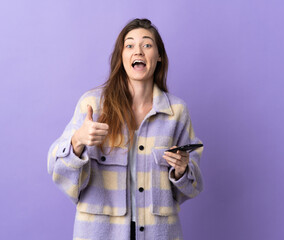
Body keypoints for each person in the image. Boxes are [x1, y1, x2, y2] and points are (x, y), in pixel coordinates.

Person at [47, 18, 204, 240]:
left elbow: (192, 188)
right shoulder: (92, 104)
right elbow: (57, 170)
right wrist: (77, 141)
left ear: (158, 56)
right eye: (129, 45)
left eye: (147, 45)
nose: (138, 51)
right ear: (121, 57)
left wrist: (181, 171)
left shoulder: (176, 111)